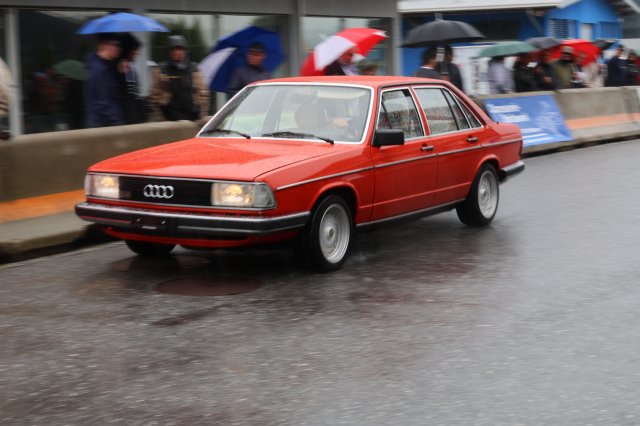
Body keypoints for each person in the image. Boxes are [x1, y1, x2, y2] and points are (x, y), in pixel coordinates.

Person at [150, 35, 209, 123]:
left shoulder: (194, 70)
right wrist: (161, 121)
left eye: (179, 49)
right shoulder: (161, 70)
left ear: (185, 51)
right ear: (169, 52)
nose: (176, 52)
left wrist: (201, 119)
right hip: (170, 122)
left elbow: (204, 96)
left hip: (192, 120)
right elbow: (154, 98)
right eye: (173, 49)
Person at [84, 33, 125, 128]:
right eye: (115, 45)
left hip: (106, 124)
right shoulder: (99, 69)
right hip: (103, 125)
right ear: (104, 45)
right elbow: (101, 103)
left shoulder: (106, 67)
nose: (118, 48)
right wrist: (118, 123)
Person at [118, 33, 146, 124]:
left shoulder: (133, 65)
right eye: (135, 49)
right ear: (128, 49)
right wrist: (121, 74)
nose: (137, 53)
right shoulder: (118, 67)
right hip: (125, 118)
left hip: (135, 116)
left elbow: (136, 92)